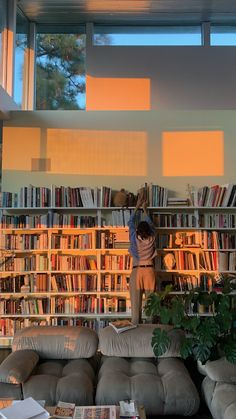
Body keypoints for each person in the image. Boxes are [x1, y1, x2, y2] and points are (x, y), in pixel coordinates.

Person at [128, 198, 157, 324]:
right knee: (151, 304)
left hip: (137, 271)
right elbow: (150, 224)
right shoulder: (152, 236)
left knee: (135, 304)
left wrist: (137, 207)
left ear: (137, 230)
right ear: (149, 231)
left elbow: (130, 222)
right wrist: (145, 209)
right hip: (150, 270)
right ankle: (150, 330)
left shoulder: (134, 237)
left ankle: (136, 329)